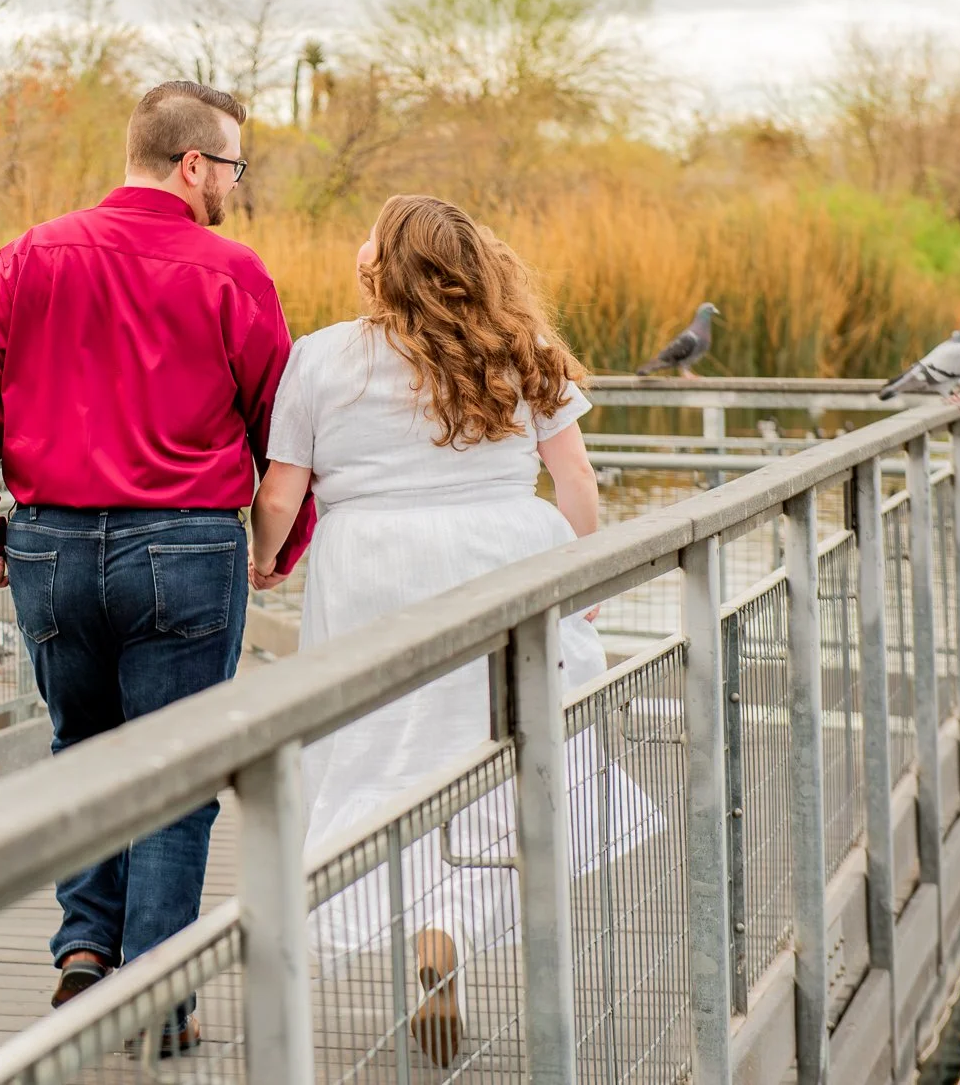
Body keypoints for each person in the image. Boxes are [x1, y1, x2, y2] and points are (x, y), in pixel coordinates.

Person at [0, 79, 316, 1050]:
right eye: (230, 165)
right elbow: (280, 419)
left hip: (53, 542)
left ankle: (83, 951)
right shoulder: (231, 270)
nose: (235, 182)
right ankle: (156, 993)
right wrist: (286, 538)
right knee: (177, 774)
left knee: (84, 751)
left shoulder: (29, 255)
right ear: (192, 164)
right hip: (184, 546)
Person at [248, 194, 661, 1066]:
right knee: (505, 747)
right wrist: (586, 576)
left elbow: (282, 493)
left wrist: (264, 559)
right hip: (504, 553)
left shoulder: (322, 356)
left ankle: (410, 919)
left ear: (385, 262)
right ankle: (452, 925)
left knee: (379, 745)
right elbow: (575, 477)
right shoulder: (523, 347)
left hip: (372, 570)